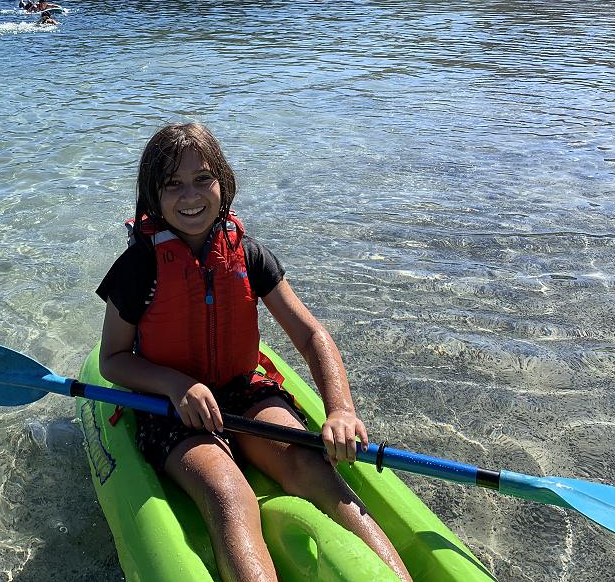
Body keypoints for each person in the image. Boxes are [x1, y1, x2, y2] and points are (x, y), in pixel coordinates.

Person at [97, 123, 412, 582]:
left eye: (203, 178)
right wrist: (175, 384)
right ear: (152, 195)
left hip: (244, 391)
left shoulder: (248, 254)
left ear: (223, 182)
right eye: (173, 184)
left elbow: (311, 335)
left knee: (312, 467)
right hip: (170, 407)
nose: (190, 195)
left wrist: (341, 410)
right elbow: (112, 360)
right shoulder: (138, 267)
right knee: (229, 492)